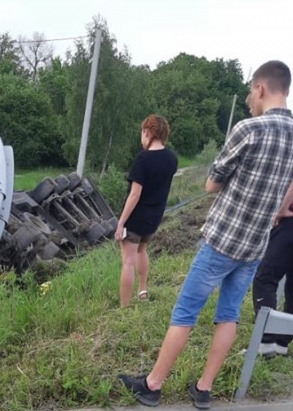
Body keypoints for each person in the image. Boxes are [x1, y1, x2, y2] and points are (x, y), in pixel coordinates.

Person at [118, 60, 293, 409]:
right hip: (255, 244)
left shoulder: (249, 129)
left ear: (260, 87)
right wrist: (276, 209)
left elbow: (212, 182)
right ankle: (204, 388)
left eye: (250, 92)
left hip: (222, 239)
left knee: (185, 312)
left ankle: (152, 386)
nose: (248, 100)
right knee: (228, 314)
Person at [115, 114, 178, 306]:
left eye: (142, 133)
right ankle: (142, 290)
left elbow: (134, 195)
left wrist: (121, 223)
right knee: (142, 251)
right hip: (154, 218)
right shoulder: (172, 158)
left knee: (127, 261)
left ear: (147, 132)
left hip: (137, 218)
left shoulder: (142, 159)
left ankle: (125, 306)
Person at [251, 199, 293, 357]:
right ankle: (282, 343)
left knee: (266, 277)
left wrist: (281, 209)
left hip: (290, 220)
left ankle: (267, 342)